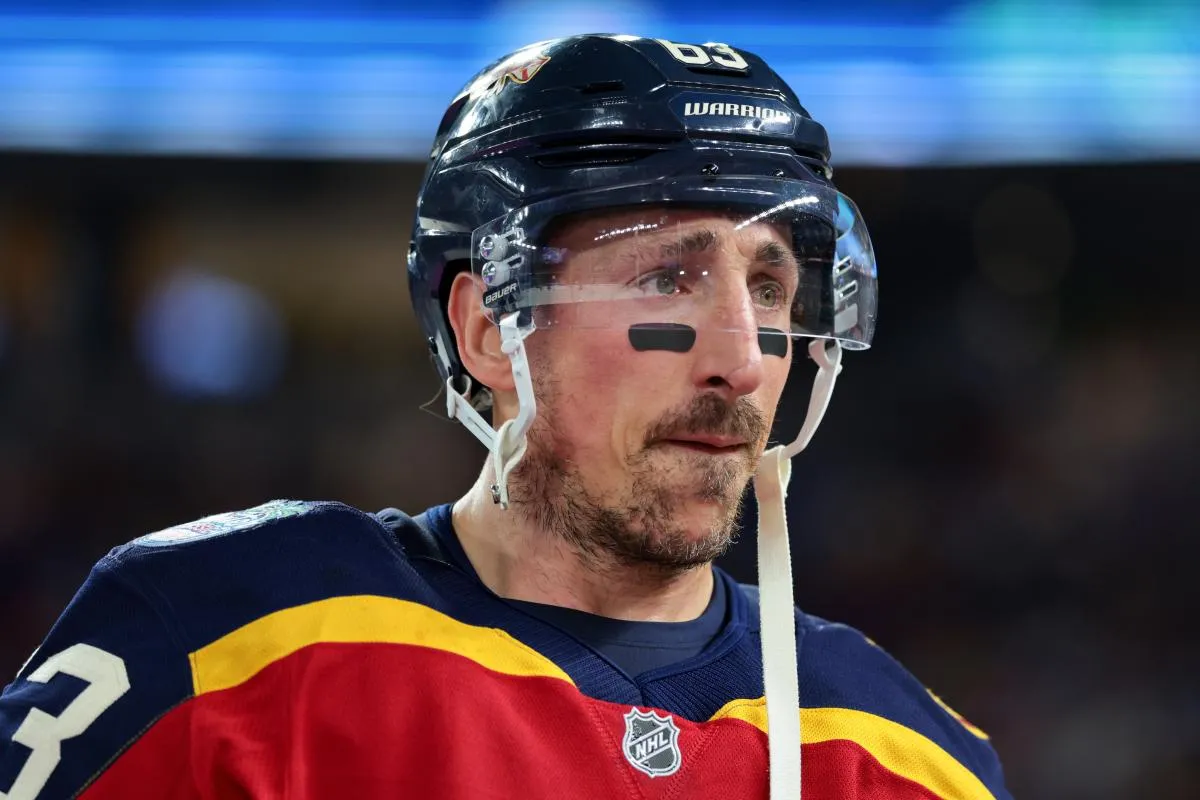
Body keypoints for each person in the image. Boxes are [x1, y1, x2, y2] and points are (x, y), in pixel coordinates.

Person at [0, 34, 1010, 800]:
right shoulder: (214, 644)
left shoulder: (908, 756)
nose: (743, 358)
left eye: (771, 287)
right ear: (491, 330)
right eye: (669, 278)